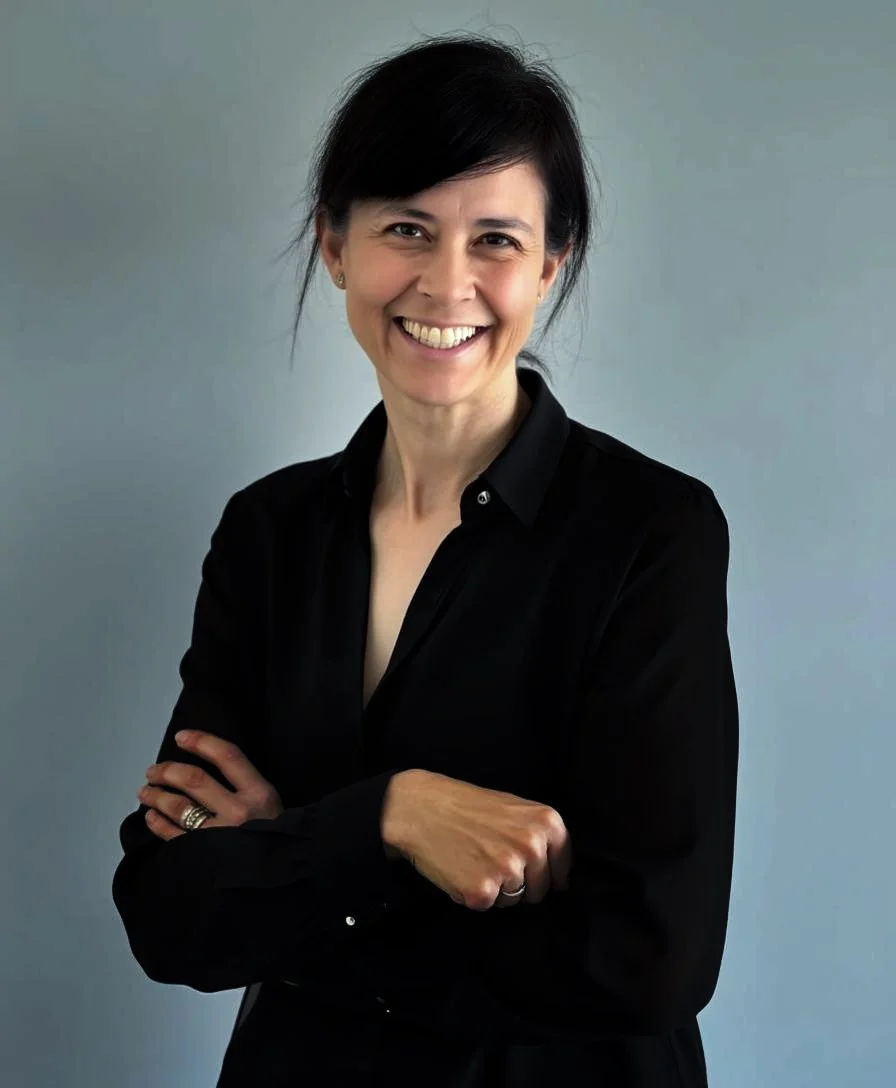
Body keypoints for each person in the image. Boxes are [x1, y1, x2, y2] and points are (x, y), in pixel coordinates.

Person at [111, 31, 738, 1088]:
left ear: (550, 263)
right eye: (407, 226)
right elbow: (172, 915)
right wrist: (390, 815)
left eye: (494, 238)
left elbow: (646, 954)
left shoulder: (651, 530)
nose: (446, 283)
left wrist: (299, 862)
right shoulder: (269, 531)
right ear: (335, 245)